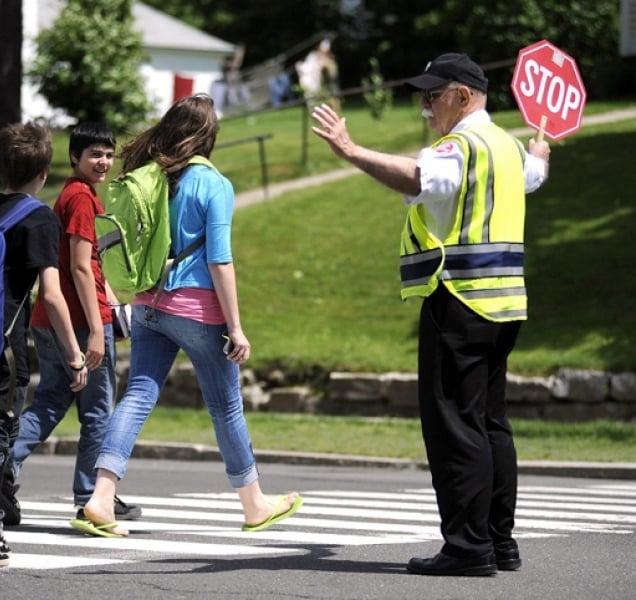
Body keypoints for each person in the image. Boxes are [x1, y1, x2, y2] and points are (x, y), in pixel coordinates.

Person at [311, 53, 550, 576]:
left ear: (463, 95)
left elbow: (419, 177)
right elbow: (534, 176)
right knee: (490, 423)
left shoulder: (460, 146)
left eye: (432, 94)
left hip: (460, 299)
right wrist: (542, 151)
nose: (424, 105)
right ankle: (499, 542)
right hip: (506, 303)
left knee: (455, 426)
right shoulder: (507, 147)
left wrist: (350, 149)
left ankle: (467, 548)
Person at [76, 93, 303, 538]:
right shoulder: (213, 184)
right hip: (197, 310)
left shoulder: (150, 178)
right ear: (207, 136)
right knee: (226, 407)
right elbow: (220, 259)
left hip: (146, 304)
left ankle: (101, 497)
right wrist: (235, 326)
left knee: (137, 396)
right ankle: (254, 504)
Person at [0, 122, 88, 568]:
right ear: (44, 172)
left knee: (3, 428)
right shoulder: (40, 217)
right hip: (5, 344)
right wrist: (74, 352)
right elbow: (50, 293)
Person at [0, 122, 142, 531]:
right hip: (78, 322)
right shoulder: (81, 199)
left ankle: (1, 468)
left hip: (51, 320)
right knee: (97, 411)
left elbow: (88, 266)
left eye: (109, 154)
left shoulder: (69, 194)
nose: (104, 162)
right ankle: (90, 499)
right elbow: (79, 267)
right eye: (95, 154)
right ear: (74, 158)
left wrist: (113, 302)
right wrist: (98, 330)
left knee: (50, 401)